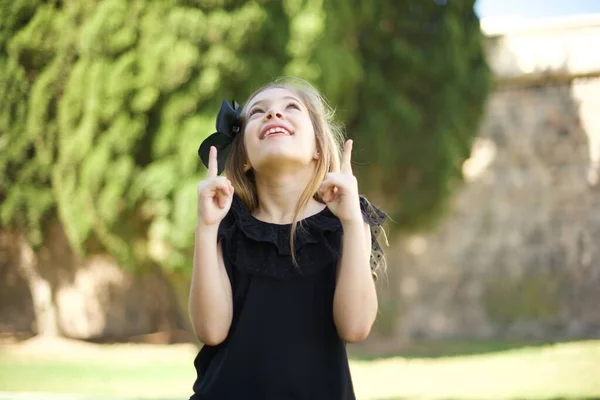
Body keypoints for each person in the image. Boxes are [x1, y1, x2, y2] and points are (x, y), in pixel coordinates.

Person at [189, 78, 388, 400]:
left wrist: (351, 220)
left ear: (318, 147)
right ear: (244, 158)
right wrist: (206, 227)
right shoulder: (222, 224)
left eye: (290, 107)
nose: (273, 115)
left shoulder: (347, 222)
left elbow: (355, 328)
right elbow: (211, 331)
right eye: (258, 112)